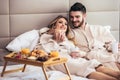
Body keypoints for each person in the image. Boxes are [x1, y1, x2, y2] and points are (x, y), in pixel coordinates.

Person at [34, 15, 120, 80]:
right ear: (54, 25)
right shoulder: (45, 36)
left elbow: (75, 50)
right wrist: (55, 40)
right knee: (83, 67)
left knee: (93, 63)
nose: (64, 25)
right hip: (59, 61)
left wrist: (79, 53)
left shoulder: (67, 39)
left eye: (66, 24)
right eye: (60, 22)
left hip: (72, 58)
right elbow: (42, 52)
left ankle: (117, 75)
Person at [56, 2, 120, 71]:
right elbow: (54, 35)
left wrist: (113, 46)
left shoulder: (99, 29)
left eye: (77, 17)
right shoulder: (70, 33)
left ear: (84, 15)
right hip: (94, 60)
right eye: (71, 17)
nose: (74, 20)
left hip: (109, 56)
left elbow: (112, 44)